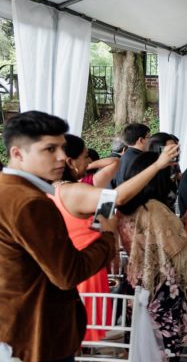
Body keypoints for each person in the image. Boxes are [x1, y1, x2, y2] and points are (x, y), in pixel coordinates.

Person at [0, 111, 117, 362]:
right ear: (17, 153)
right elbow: (66, 274)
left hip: (14, 326)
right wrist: (108, 237)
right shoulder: (30, 201)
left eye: (64, 149)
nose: (62, 157)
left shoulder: (17, 190)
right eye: (49, 149)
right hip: (39, 332)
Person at [52, 134, 179, 341]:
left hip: (64, 272)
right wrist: (157, 166)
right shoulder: (74, 191)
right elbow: (115, 198)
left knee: (71, 341)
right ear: (70, 162)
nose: (90, 163)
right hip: (85, 275)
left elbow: (100, 215)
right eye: (85, 157)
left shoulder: (50, 190)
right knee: (80, 339)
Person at [117, 151, 187, 356]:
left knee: (137, 346)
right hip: (160, 285)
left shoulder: (123, 208)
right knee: (157, 349)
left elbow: (154, 240)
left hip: (135, 279)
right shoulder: (155, 208)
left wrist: (181, 223)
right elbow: (171, 248)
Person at [111, 122, 150, 187]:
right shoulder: (141, 160)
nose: (150, 140)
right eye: (148, 137)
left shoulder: (123, 157)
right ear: (140, 140)